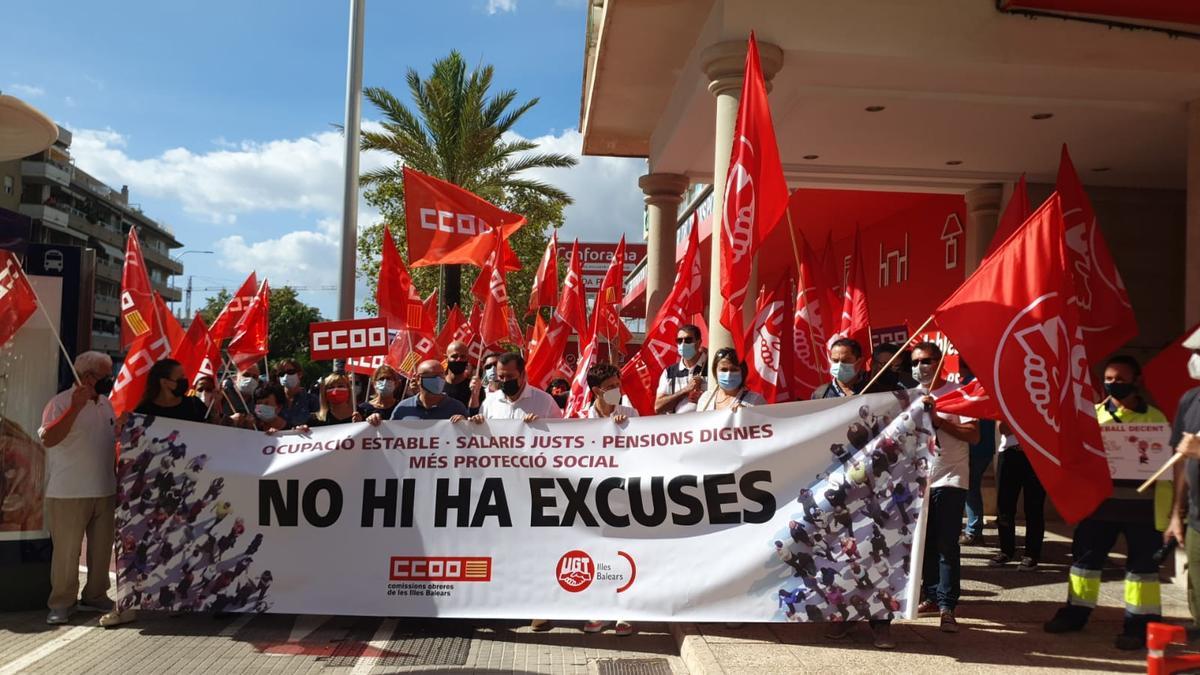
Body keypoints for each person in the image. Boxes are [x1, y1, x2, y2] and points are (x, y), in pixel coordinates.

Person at [1045, 354, 1169, 650]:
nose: (1114, 384)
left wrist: (1166, 517)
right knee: (1084, 565)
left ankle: (1139, 626)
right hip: (1098, 506)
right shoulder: (1093, 417)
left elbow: (1167, 474)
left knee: (1142, 572)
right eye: (1109, 379)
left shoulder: (1156, 419)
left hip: (1143, 509)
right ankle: (1074, 614)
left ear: (1136, 381)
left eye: (1121, 379)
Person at [37, 351, 118, 625]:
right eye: (106, 374)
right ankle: (61, 602)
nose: (111, 379)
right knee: (66, 552)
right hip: (68, 491)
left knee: (101, 549)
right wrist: (74, 407)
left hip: (105, 489)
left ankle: (96, 595)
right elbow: (48, 438)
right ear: (87, 376)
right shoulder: (59, 403)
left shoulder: (107, 404)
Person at [912, 341, 980, 634]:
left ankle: (947, 605)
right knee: (924, 542)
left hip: (949, 478)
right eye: (914, 362)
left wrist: (938, 420)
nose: (920, 367)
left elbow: (973, 435)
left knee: (946, 544)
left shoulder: (957, 393)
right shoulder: (908, 396)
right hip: (916, 482)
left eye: (926, 361)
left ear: (939, 361)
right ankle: (929, 594)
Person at [579, 362, 637, 636]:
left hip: (622, 496)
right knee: (596, 554)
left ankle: (624, 612)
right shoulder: (581, 417)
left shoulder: (630, 413)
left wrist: (626, 428)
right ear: (596, 391)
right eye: (611, 387)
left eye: (618, 385)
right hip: (591, 497)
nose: (617, 391)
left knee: (623, 554)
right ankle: (596, 610)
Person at [1166, 326, 1200, 633]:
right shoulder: (1190, 400)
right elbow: (1181, 463)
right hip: (1196, 517)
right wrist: (1176, 513)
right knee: (1197, 586)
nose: (1195, 359)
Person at [987, 420, 1045, 570]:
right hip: (1009, 453)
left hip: (1037, 453)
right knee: (1004, 506)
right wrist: (1023, 419)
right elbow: (1003, 429)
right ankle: (1006, 550)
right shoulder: (1007, 400)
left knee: (1034, 507)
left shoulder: (1041, 397)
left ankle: (1032, 554)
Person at [958, 360, 997, 547]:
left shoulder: (968, 385)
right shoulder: (983, 383)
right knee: (970, 488)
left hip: (972, 447)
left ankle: (973, 531)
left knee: (969, 489)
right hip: (984, 447)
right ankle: (973, 529)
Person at [462, 352, 563, 423]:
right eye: (501, 377)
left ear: (522, 375)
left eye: (510, 376)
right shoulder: (490, 402)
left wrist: (541, 426)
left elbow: (559, 435)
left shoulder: (545, 401)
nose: (505, 381)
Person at [383, 360, 468, 421]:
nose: (439, 379)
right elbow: (391, 439)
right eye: (434, 375)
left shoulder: (457, 408)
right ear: (418, 378)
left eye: (441, 374)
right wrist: (375, 422)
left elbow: (469, 439)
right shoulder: (403, 408)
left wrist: (465, 424)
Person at [134, 359, 210, 423]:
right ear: (164, 382)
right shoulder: (143, 411)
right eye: (180, 378)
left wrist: (215, 408)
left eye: (184, 376)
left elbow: (212, 430)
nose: (184, 380)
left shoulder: (194, 405)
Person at [655, 324, 706, 414]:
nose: (683, 344)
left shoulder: (710, 367)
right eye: (679, 340)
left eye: (688, 340)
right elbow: (658, 407)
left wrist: (704, 399)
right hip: (678, 426)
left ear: (698, 343)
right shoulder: (669, 372)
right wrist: (685, 391)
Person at [696, 347, 766, 411]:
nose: (728, 374)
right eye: (724, 369)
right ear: (715, 371)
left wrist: (747, 414)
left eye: (734, 370)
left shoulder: (755, 401)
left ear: (743, 372)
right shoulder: (705, 399)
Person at [275, 358, 319, 428]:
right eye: (281, 373)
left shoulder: (312, 400)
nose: (286, 376)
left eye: (290, 372)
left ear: (300, 374)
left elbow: (320, 425)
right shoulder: (274, 400)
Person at [442, 341, 475, 409]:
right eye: (454, 356)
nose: (459, 359)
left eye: (463, 356)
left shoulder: (474, 388)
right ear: (446, 358)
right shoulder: (437, 385)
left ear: (468, 359)